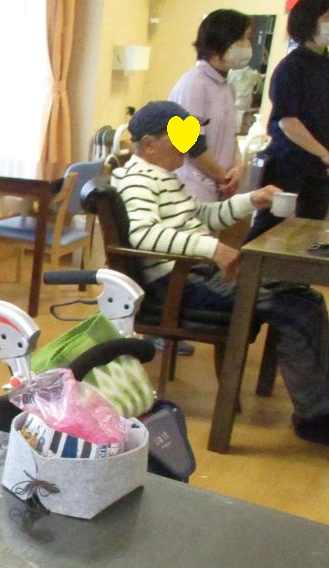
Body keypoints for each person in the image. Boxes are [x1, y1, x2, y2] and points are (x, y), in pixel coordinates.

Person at [112, 101, 329, 446]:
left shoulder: (163, 177)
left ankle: (317, 404)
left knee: (304, 297)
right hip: (178, 285)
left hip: (194, 276)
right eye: (178, 136)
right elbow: (143, 235)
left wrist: (252, 200)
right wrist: (212, 249)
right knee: (296, 307)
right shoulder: (138, 180)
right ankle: (314, 417)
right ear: (149, 144)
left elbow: (204, 216)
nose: (188, 144)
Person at [247, 0, 329, 241]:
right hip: (288, 164)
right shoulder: (291, 67)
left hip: (318, 170)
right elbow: (287, 121)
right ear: (309, 22)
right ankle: (245, 265)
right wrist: (324, 154)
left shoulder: (325, 65)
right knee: (270, 228)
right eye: (327, 18)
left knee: (309, 232)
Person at [169, 9, 252, 203]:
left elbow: (230, 136)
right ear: (221, 41)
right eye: (242, 38)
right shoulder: (194, 84)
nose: (248, 45)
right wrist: (222, 177)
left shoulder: (226, 86)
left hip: (218, 186)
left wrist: (237, 168)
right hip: (193, 187)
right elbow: (190, 142)